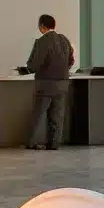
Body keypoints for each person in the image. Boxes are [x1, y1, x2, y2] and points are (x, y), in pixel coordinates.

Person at [24, 14, 74, 150]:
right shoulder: (65, 40)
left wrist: (27, 68)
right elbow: (71, 61)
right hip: (62, 83)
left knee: (38, 114)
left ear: (42, 27)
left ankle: (31, 142)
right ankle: (54, 144)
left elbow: (33, 66)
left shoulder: (41, 41)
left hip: (45, 84)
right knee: (57, 116)